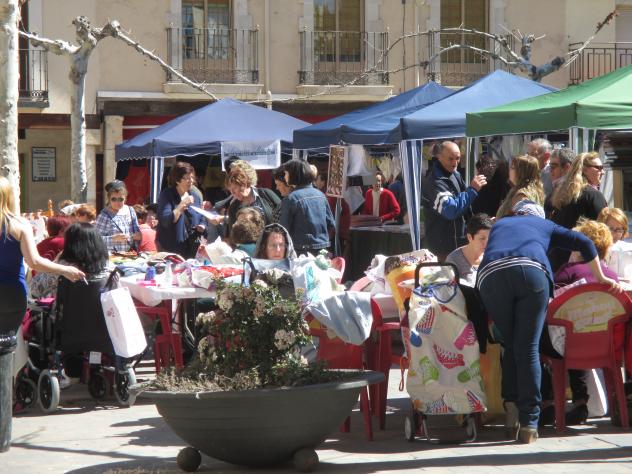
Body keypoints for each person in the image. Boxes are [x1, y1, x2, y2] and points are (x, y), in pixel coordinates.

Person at [476, 200, 620, 444]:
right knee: (528, 348)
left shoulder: (499, 223)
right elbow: (584, 242)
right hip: (532, 273)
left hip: (492, 275)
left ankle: (512, 413)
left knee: (510, 346)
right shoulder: (545, 224)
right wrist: (600, 276)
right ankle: (530, 423)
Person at [0, 176, 84, 353]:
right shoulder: (19, 225)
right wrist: (65, 269)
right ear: (9, 196)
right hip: (12, 294)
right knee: (7, 348)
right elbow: (35, 262)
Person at [553, 218, 618, 425]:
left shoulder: (569, 271)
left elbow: (552, 301)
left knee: (564, 332)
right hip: (607, 346)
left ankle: (561, 401)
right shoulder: (611, 275)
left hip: (573, 345)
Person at [421, 141, 487, 261]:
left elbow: (464, 206)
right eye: (450, 159)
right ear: (439, 157)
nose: (455, 163)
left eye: (457, 158)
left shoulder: (454, 174)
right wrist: (472, 190)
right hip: (443, 248)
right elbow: (451, 210)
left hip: (458, 243)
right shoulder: (435, 182)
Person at [548, 152, 608, 271]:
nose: (603, 171)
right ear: (585, 170)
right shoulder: (594, 196)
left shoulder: (560, 194)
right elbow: (604, 231)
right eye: (599, 168)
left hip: (556, 261)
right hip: (582, 263)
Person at [30, 223, 112, 299]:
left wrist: (55, 261)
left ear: (70, 242)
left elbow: (34, 290)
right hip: (100, 312)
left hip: (66, 312)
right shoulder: (106, 266)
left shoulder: (63, 267)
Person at [279, 160, 335, 255]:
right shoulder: (321, 195)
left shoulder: (292, 198)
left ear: (294, 174)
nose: (285, 177)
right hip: (322, 248)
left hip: (300, 251)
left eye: (286, 173)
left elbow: (283, 229)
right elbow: (331, 223)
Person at [156, 162, 206, 258]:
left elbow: (201, 216)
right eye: (187, 178)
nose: (191, 181)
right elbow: (166, 221)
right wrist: (182, 204)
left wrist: (203, 225)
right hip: (171, 249)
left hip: (192, 247)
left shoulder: (195, 195)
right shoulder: (167, 195)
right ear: (177, 180)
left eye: (192, 177)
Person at [221, 161, 280, 233]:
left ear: (244, 184)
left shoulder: (266, 194)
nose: (232, 193)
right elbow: (233, 234)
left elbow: (282, 213)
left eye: (234, 188)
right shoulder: (234, 207)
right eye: (230, 190)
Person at [95, 180, 142, 253]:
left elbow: (138, 234)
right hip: (112, 257)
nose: (117, 202)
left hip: (131, 255)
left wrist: (131, 236)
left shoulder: (131, 211)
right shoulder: (104, 216)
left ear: (125, 198)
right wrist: (113, 238)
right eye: (114, 199)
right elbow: (95, 240)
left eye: (120, 199)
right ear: (109, 199)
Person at [446, 213, 493, 283]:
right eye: (482, 238)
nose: (487, 243)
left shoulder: (493, 255)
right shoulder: (453, 260)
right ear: (469, 237)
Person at [315, 171, 351, 253]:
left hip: (337, 235)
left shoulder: (333, 196)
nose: (347, 185)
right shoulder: (332, 196)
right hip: (335, 236)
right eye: (345, 183)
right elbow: (330, 217)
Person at [544, 148, 576, 217]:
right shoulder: (554, 191)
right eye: (549, 167)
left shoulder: (576, 193)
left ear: (567, 167)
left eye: (553, 167)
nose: (550, 170)